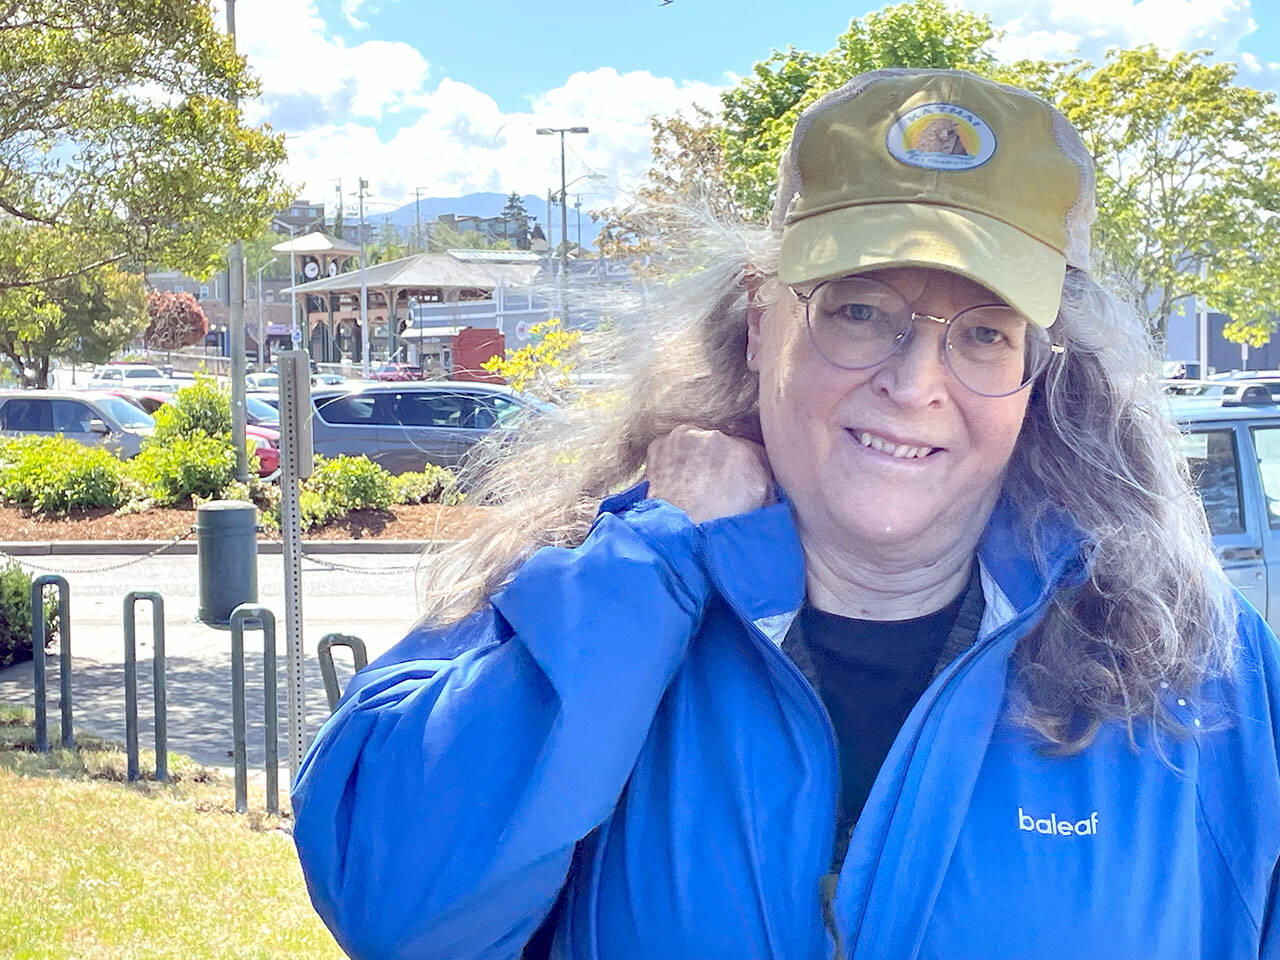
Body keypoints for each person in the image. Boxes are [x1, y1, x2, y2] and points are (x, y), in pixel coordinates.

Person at [291, 70, 1280, 960]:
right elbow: (396, 909)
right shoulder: (584, 578)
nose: (913, 382)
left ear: (1038, 372)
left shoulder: (1202, 671)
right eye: (857, 309)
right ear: (761, 321)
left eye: (981, 334)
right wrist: (653, 561)